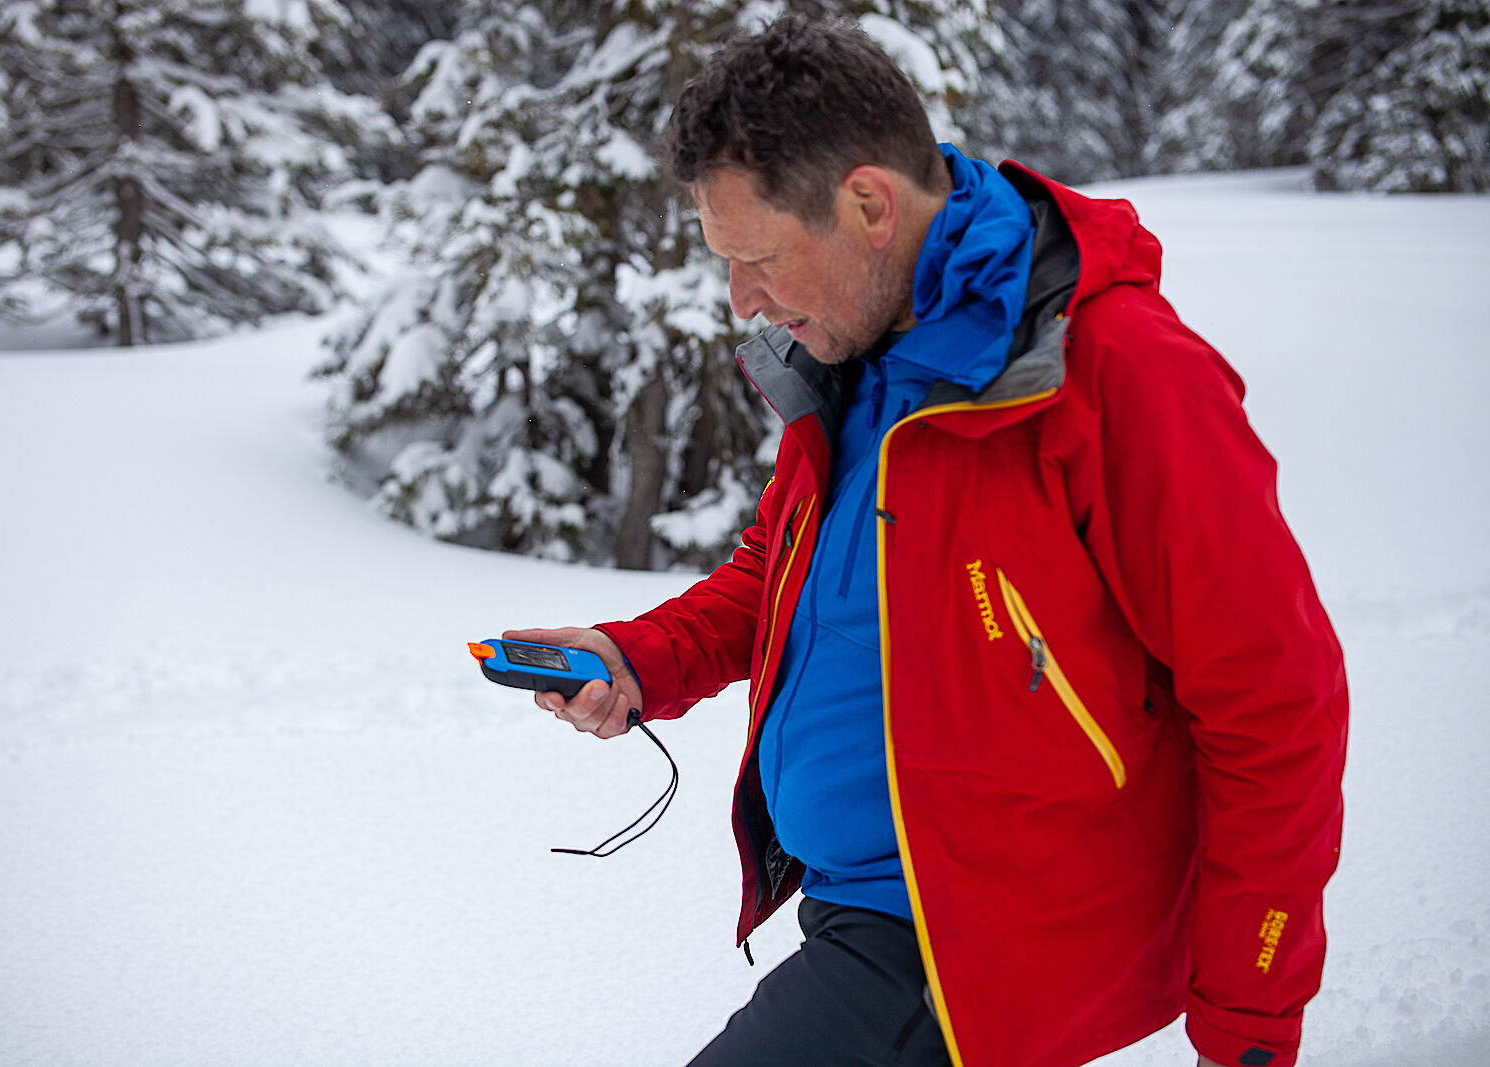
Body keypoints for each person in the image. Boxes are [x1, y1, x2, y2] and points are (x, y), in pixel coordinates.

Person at [508, 16, 1348, 1067]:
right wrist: (636, 657)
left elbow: (1275, 702)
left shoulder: (1114, 371)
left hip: (957, 946)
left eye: (757, 256)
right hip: (858, 916)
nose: (742, 300)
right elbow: (780, 575)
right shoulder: (860, 354)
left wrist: (1250, 1024)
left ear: (867, 203)